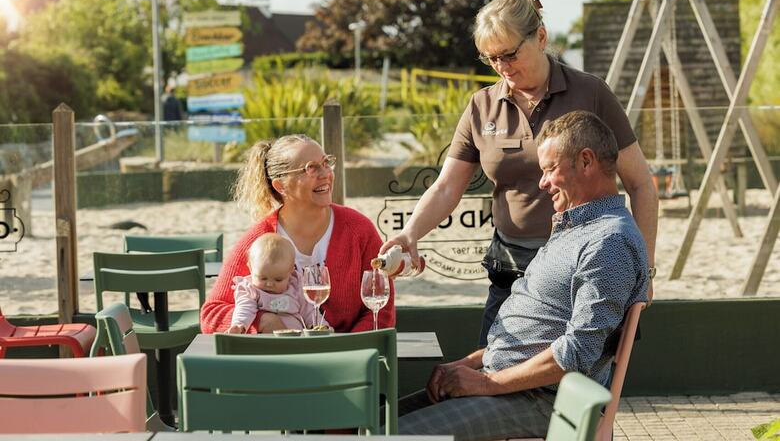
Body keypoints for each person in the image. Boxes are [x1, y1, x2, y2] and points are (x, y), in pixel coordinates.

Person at [381, 0, 657, 347]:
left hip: (585, 268)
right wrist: (410, 234)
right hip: (510, 270)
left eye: (510, 54)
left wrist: (644, 270)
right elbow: (448, 186)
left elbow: (641, 185)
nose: (503, 66)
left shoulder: (590, 93)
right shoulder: (482, 106)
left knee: (576, 380)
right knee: (492, 372)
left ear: (540, 37)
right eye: (492, 58)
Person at [398, 111, 650, 440]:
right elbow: (540, 330)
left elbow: (576, 355)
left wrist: (485, 383)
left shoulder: (610, 242)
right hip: (510, 387)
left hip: (542, 401)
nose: (542, 183)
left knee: (394, 435)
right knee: (371, 425)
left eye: (549, 170)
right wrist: (471, 364)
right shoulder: (578, 227)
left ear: (586, 161)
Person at [201, 134, 395, 333]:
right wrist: (261, 322)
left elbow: (382, 311)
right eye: (311, 168)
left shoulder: (358, 230)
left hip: (350, 358)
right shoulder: (259, 241)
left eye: (326, 163)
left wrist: (345, 350)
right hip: (278, 361)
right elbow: (211, 315)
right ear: (280, 186)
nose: (325, 174)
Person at [226, 233, 328, 334]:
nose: (269, 284)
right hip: (268, 343)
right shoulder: (250, 289)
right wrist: (240, 325)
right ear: (251, 268)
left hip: (297, 340)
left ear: (290, 272)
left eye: (278, 279)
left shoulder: (295, 286)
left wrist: (322, 326)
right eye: (263, 278)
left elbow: (309, 311)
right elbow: (244, 308)